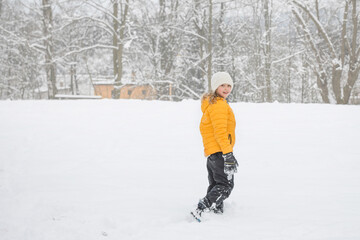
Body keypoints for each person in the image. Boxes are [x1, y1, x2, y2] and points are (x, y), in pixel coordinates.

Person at [196, 72, 238, 216]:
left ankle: (215, 213)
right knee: (225, 185)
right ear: (215, 87)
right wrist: (228, 154)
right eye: (222, 85)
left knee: (216, 184)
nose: (226, 88)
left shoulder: (212, 104)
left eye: (229, 85)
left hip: (213, 154)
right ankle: (203, 208)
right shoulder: (218, 105)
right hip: (221, 152)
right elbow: (220, 132)